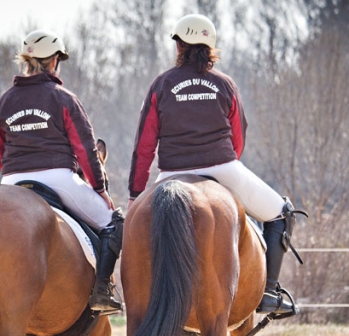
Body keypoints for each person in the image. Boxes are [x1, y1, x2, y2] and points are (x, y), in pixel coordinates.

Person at [128, 14, 303, 317]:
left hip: (171, 173)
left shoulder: (161, 84)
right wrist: (223, 163)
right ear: (210, 47)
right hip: (223, 168)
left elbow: (144, 146)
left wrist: (135, 193)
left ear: (179, 46)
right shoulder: (224, 84)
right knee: (282, 213)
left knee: (134, 225)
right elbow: (238, 136)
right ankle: (268, 292)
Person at [0, 29, 123, 314]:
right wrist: (99, 189)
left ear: (26, 61)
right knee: (113, 222)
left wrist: (15, 174)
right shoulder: (63, 98)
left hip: (11, 181)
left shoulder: (4, 102)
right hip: (57, 178)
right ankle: (102, 290)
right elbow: (86, 150)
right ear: (54, 61)